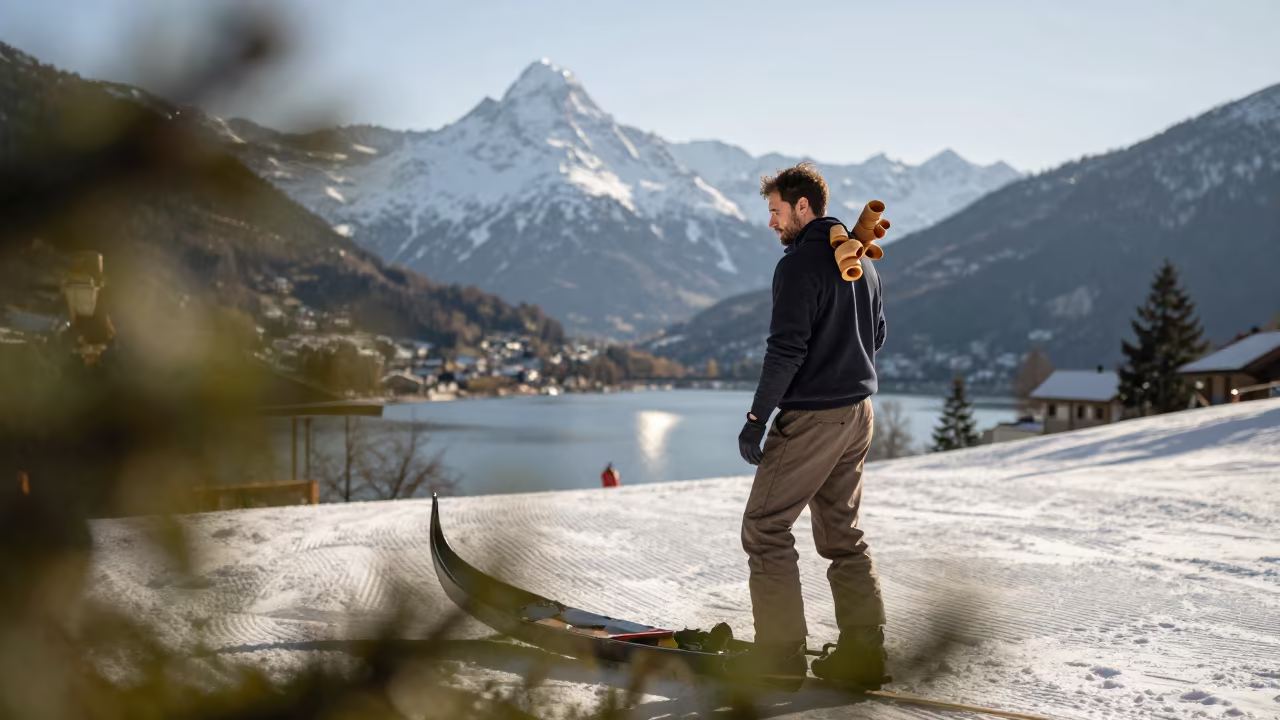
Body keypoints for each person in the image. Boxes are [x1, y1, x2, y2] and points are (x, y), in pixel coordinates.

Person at [728, 162, 889, 691]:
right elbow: (877, 334)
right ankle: (863, 654)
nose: (771, 223)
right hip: (859, 414)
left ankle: (779, 656)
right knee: (843, 534)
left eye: (775, 212)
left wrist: (757, 417)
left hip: (816, 418)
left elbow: (786, 350)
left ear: (803, 207)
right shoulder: (861, 260)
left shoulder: (799, 267)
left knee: (765, 527)